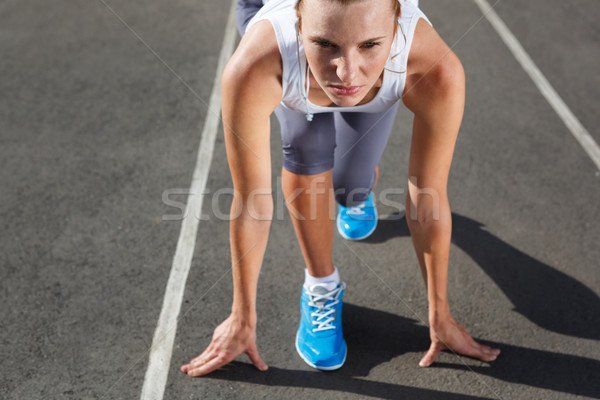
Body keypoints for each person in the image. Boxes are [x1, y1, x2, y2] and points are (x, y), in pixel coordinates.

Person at [181, 0, 500, 376]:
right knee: (306, 146)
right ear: (299, 25)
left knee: (350, 188)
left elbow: (428, 198)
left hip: (374, 64)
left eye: (369, 45)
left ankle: (356, 190)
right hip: (287, 61)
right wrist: (241, 316)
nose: (347, 72)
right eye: (325, 44)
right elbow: (252, 202)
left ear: (396, 28)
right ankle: (320, 283)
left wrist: (440, 314)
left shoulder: (432, 66)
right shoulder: (257, 64)